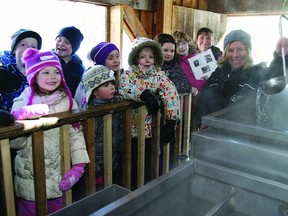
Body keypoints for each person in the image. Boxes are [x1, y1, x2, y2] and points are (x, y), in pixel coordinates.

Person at [10, 48, 90, 215]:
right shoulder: (22, 102)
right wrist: (21, 120)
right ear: (34, 76)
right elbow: (15, 143)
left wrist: (78, 166)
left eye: (56, 72)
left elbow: (75, 133)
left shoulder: (67, 101)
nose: (53, 76)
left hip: (59, 176)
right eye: (45, 72)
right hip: (31, 179)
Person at [118, 37, 181, 188]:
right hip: (129, 129)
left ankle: (146, 187)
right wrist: (144, 94)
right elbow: (123, 88)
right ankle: (129, 188)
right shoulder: (128, 75)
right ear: (136, 58)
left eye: (151, 57)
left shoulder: (158, 76)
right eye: (142, 57)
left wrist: (171, 121)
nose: (147, 60)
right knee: (129, 160)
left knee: (147, 159)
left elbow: (171, 93)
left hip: (150, 129)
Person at [195, 29, 285, 129]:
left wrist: (281, 56)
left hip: (242, 136)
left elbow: (278, 75)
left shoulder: (257, 74)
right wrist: (200, 119)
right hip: (212, 134)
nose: (235, 55)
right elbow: (202, 99)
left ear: (248, 51)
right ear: (225, 52)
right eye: (230, 50)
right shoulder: (217, 74)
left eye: (240, 49)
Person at [80, 65, 122, 190]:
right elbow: (89, 143)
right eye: (106, 85)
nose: (111, 87)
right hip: (99, 164)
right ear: (94, 92)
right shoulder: (92, 113)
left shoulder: (116, 105)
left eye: (111, 83)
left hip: (114, 159)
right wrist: (95, 167)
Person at [0, 29, 42, 112]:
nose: (29, 49)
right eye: (23, 45)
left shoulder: (42, 74)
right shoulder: (4, 73)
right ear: (14, 50)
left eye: (33, 47)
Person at [74, 42, 121, 108]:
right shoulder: (91, 79)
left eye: (118, 56)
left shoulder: (122, 76)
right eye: (110, 58)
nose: (116, 60)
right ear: (101, 62)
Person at [54, 26, 85, 97]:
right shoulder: (48, 61)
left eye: (67, 42)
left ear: (74, 47)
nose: (61, 44)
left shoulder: (79, 67)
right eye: (59, 40)